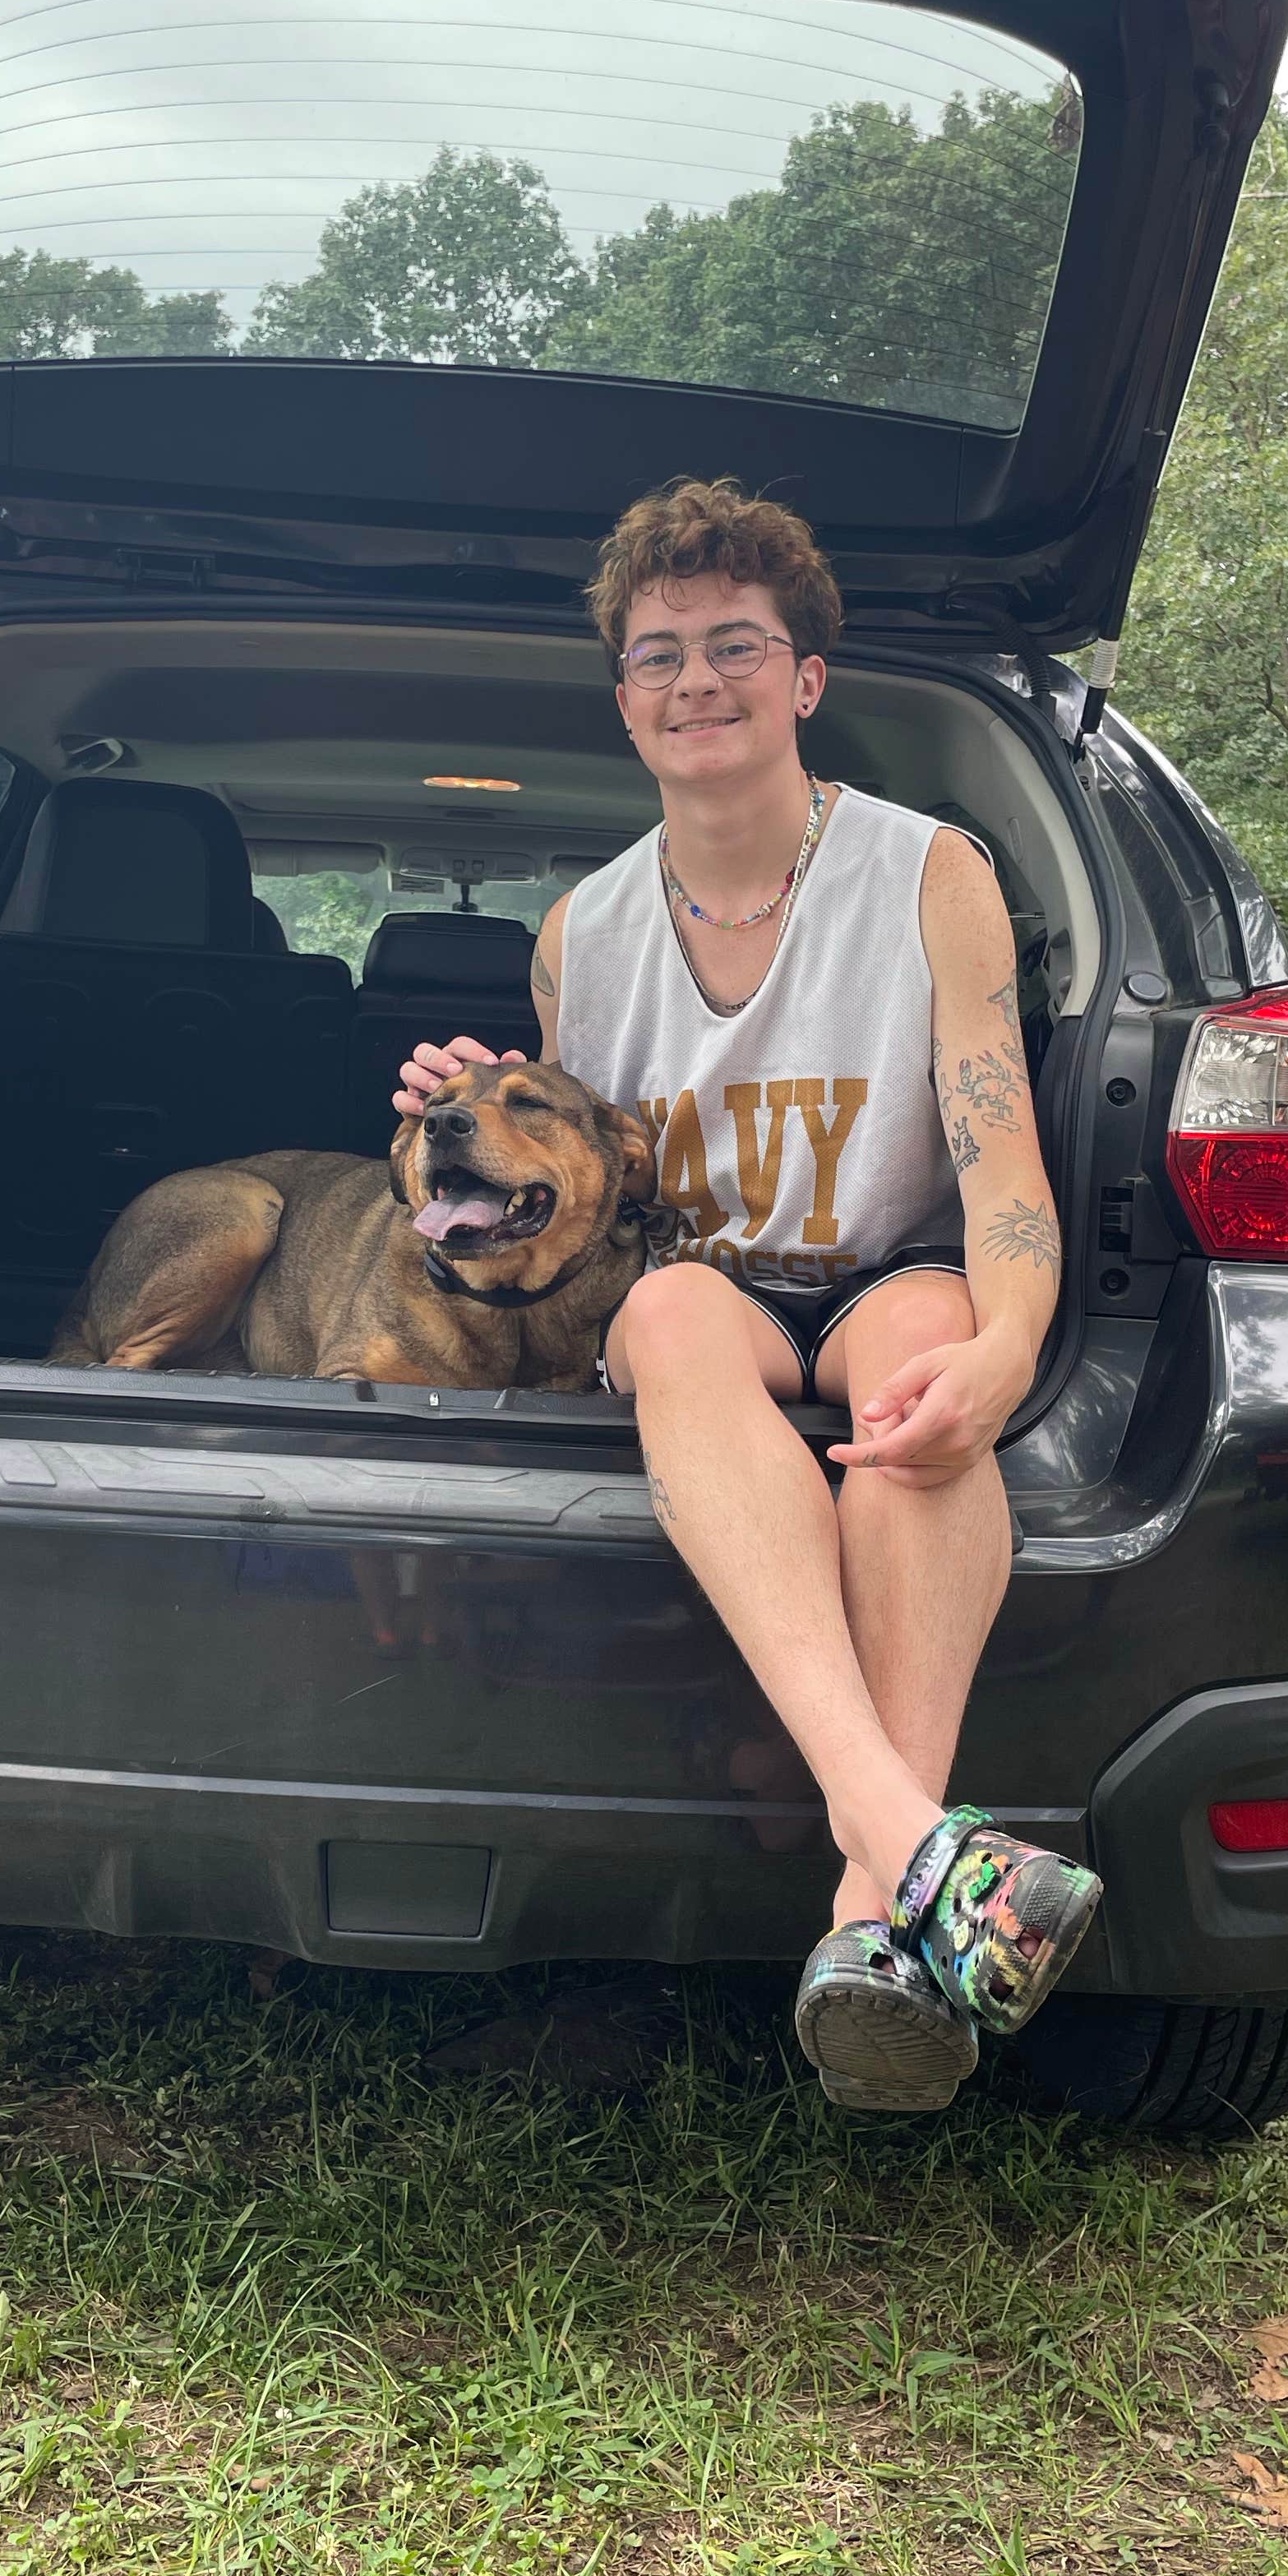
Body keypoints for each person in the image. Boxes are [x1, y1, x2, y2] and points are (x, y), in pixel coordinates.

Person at [394, 476, 1102, 2113]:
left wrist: (1007, 1349)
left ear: (805, 678)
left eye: (735, 645)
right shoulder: (580, 931)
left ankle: (869, 1898)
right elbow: (578, 1164)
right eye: (657, 655)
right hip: (697, 1282)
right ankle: (916, 1864)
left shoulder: (930, 874)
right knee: (660, 1317)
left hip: (893, 1272)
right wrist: (470, 1110)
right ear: (622, 698)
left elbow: (998, 1157)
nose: (695, 680)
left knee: (923, 1355)